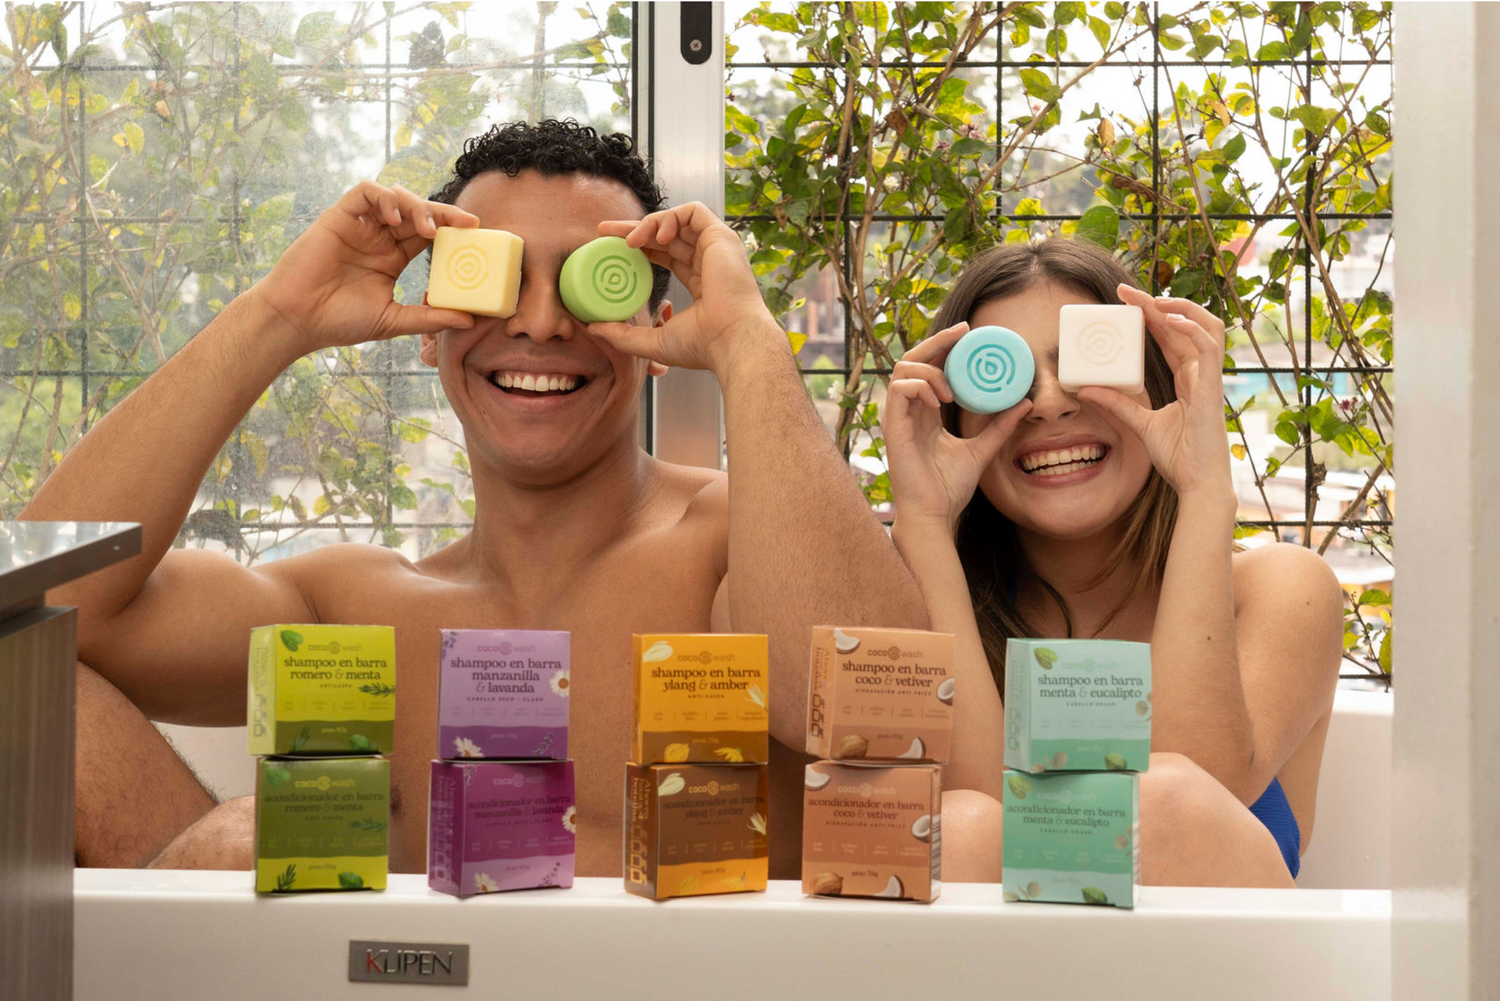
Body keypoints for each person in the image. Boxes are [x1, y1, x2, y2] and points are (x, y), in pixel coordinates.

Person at [23, 119, 927, 878]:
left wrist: (749, 341)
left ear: (658, 331)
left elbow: (880, 716)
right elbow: (42, 606)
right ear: (430, 332)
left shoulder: (731, 547)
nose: (540, 321)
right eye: (497, 280)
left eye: (587, 281)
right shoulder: (350, 612)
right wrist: (278, 316)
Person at [880, 239, 1344, 886]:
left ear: (1157, 387)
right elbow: (987, 831)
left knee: (1164, 798)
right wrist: (925, 521)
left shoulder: (1281, 589)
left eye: (1085, 365)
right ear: (954, 416)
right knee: (959, 827)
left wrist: (1204, 489)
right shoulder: (919, 599)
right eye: (1006, 378)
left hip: (1205, 949)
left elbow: (1183, 803)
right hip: (1009, 948)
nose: (1049, 402)